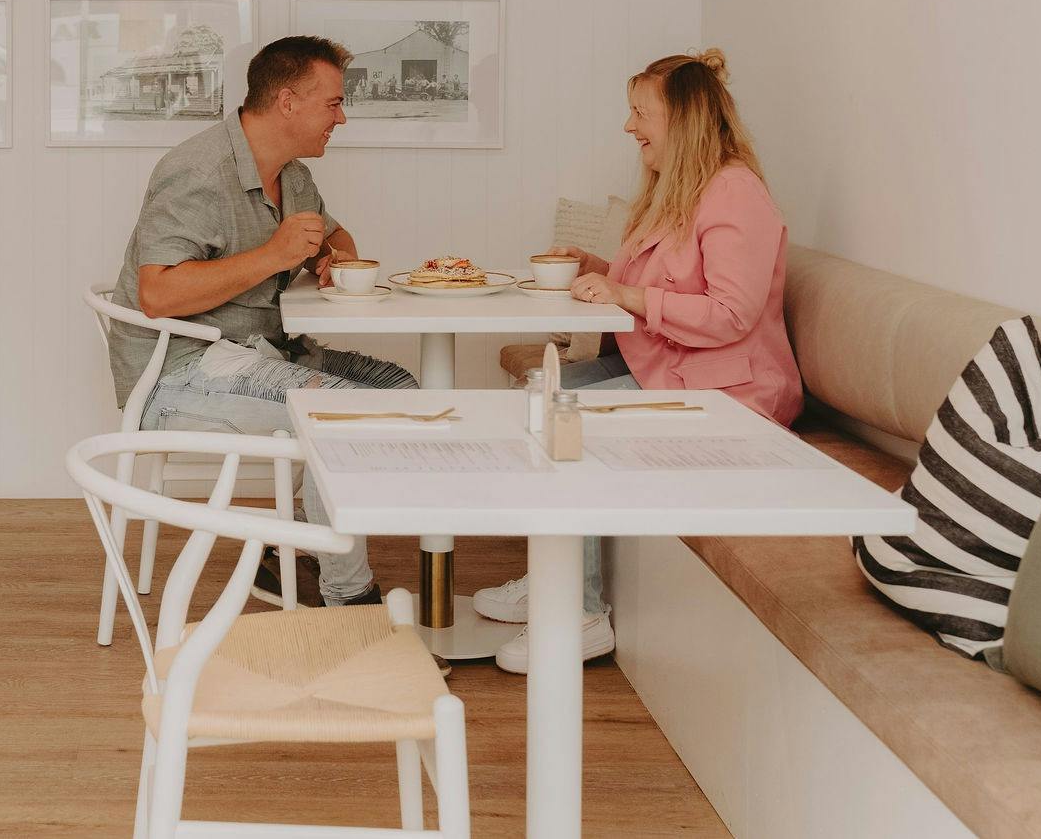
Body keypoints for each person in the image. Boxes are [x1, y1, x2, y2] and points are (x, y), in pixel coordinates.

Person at [474, 48, 800, 673]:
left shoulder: (735, 193)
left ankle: (582, 612)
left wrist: (624, 294)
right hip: (676, 372)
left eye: (639, 112)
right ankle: (554, 574)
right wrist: (596, 268)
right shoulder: (681, 189)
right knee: (539, 395)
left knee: (572, 419)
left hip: (733, 394)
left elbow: (731, 313)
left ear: (684, 119)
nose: (629, 127)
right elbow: (664, 281)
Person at [108, 36, 419, 608]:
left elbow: (332, 233)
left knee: (403, 390)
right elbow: (156, 293)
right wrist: (274, 256)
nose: (341, 118)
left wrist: (333, 257)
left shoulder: (290, 174)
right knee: (340, 416)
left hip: (262, 350)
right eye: (333, 103)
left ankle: (292, 553)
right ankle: (351, 605)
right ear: (287, 102)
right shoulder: (197, 172)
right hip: (178, 372)